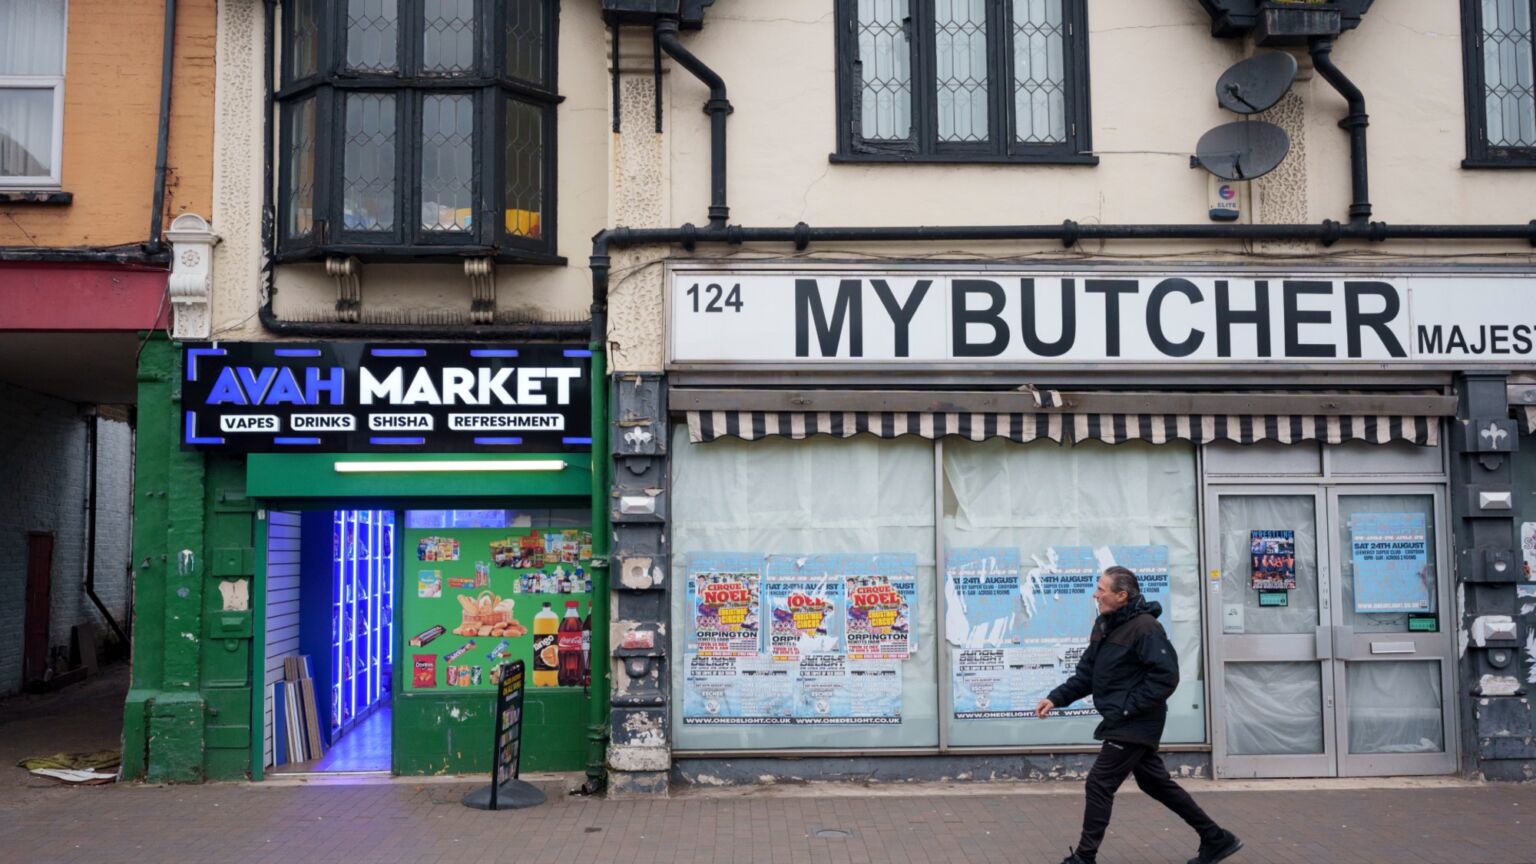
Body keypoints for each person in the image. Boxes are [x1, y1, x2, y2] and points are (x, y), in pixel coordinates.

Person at [1035, 566, 1243, 864]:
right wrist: (1055, 698)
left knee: (1099, 782)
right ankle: (1216, 838)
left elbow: (1166, 676)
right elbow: (1087, 675)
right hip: (1122, 718)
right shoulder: (1104, 625)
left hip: (1136, 719)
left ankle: (1084, 857)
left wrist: (1128, 707)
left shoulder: (1146, 628)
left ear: (1121, 596)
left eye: (1101, 590)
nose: (1096, 594)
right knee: (1154, 782)